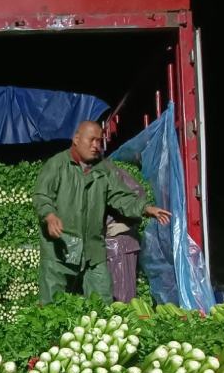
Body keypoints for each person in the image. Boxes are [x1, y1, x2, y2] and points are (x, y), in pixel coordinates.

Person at [33, 120, 171, 304]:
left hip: (92, 248)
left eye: (99, 141)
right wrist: (49, 216)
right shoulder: (57, 165)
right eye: (91, 140)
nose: (96, 146)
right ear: (76, 139)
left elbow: (121, 197)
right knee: (51, 303)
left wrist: (144, 208)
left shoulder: (104, 169)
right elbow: (42, 196)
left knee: (102, 300)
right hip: (61, 245)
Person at [105, 163, 145, 303]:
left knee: (122, 298)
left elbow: (137, 193)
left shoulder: (112, 173)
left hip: (119, 244)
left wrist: (127, 224)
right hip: (104, 244)